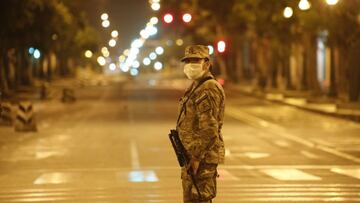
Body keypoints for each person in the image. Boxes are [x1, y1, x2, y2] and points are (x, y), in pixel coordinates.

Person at [176, 45, 225, 203]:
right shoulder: (196, 85)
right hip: (192, 157)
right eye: (188, 61)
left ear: (207, 63)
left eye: (195, 60)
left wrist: (196, 157)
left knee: (199, 199)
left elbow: (210, 129)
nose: (191, 64)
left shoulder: (208, 88)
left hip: (201, 159)